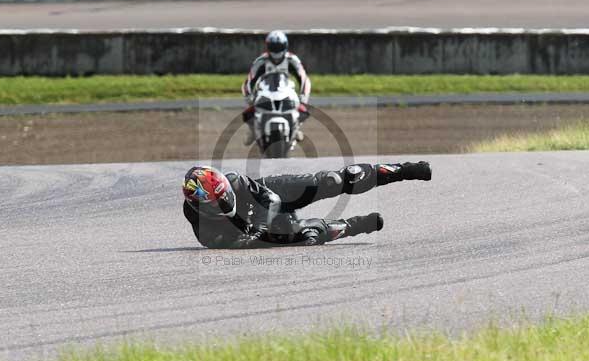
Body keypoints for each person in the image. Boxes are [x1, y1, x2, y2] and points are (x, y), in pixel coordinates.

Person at [182, 160, 432, 249]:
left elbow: (271, 200)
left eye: (225, 195)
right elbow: (237, 245)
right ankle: (354, 225)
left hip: (269, 193)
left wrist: (256, 227)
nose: (226, 201)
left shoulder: (235, 181)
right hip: (257, 233)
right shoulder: (207, 233)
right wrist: (258, 234)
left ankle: (405, 170)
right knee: (305, 235)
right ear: (199, 207)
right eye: (219, 203)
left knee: (333, 180)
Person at [241, 30, 311, 145]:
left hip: (286, 91)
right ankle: (253, 131)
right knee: (248, 114)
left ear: (285, 46)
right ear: (268, 46)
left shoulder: (292, 60)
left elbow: (304, 78)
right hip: (265, 92)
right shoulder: (261, 61)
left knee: (304, 111)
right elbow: (249, 80)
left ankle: (296, 127)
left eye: (279, 47)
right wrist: (249, 97)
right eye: (274, 47)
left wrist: (303, 97)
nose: (276, 50)